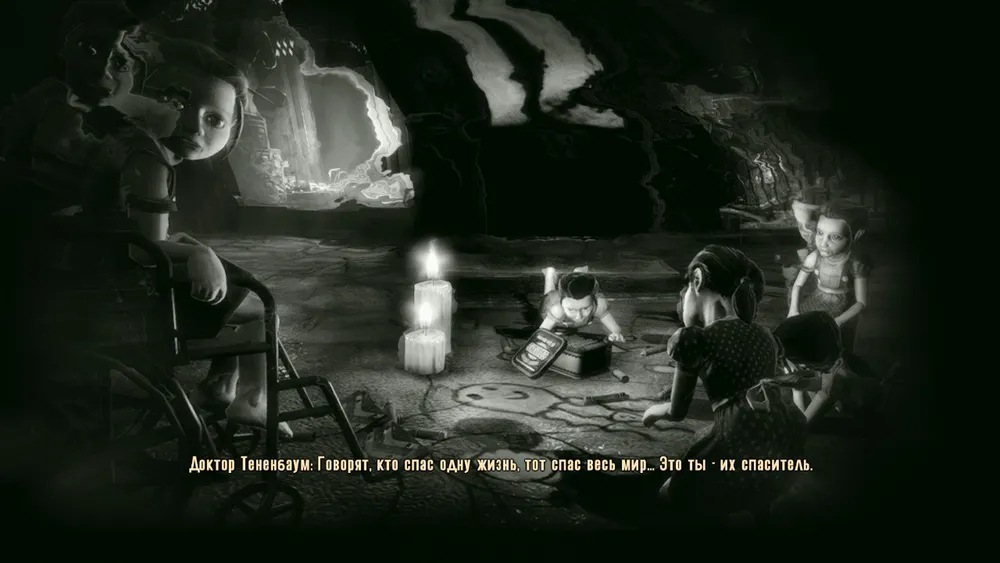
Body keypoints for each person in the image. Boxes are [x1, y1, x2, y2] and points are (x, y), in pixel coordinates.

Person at [113, 37, 290, 436]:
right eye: (177, 103)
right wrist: (199, 255)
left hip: (120, 277)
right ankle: (252, 399)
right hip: (129, 292)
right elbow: (141, 250)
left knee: (237, 281)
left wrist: (195, 247)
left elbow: (140, 230)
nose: (194, 126)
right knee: (258, 308)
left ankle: (220, 385)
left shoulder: (145, 153)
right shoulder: (149, 160)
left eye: (215, 120)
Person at [641, 245, 806, 524]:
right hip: (781, 438)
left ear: (696, 280)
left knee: (672, 494)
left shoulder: (695, 339)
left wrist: (654, 412)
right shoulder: (765, 336)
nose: (681, 298)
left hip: (736, 434)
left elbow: (677, 412)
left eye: (685, 288)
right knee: (755, 491)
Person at [1, 0, 142, 216]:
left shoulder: (121, 125)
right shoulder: (45, 101)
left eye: (119, 62)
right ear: (63, 47)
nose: (102, 69)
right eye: (89, 49)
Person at [788, 200, 872, 352]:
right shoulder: (814, 257)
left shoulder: (854, 264)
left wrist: (838, 321)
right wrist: (793, 310)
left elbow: (861, 302)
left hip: (843, 309)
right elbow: (798, 284)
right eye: (820, 233)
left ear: (857, 235)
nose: (823, 243)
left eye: (835, 237)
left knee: (837, 347)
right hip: (815, 303)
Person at [773, 311, 882, 427]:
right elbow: (815, 381)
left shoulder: (835, 382)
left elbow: (803, 425)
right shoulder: (838, 359)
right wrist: (788, 380)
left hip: (870, 422)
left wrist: (797, 393)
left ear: (805, 362)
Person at [536, 266, 624, 341]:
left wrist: (616, 334)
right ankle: (550, 274)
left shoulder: (598, 305)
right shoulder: (557, 309)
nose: (579, 316)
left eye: (586, 308)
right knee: (548, 295)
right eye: (571, 310)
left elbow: (616, 329)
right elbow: (542, 333)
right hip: (553, 303)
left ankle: (578, 275)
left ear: (593, 302)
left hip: (567, 308)